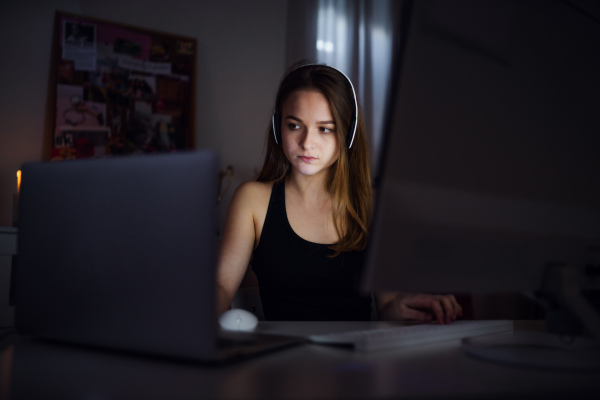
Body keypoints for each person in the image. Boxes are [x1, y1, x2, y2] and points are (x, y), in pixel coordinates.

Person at [216, 62, 462, 323]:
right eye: (294, 125)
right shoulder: (252, 200)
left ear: (348, 134)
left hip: (356, 361)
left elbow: (388, 303)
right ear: (278, 127)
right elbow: (221, 286)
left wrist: (405, 306)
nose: (307, 142)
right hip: (281, 358)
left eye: (325, 129)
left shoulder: (373, 206)